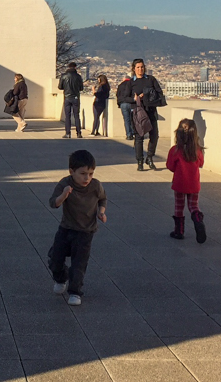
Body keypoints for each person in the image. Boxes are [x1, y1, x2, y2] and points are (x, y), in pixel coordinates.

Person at [47, 149, 107, 306]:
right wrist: (64, 195)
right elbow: (54, 203)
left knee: (79, 263)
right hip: (66, 228)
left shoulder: (95, 186)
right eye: (83, 173)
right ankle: (60, 278)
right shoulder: (65, 183)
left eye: (91, 173)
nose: (87, 178)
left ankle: (75, 292)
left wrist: (101, 212)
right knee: (55, 259)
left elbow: (103, 199)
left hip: (86, 231)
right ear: (71, 171)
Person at [116, 59, 165, 170]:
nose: (140, 69)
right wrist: (134, 98)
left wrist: (148, 94)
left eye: (142, 67)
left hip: (151, 111)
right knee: (139, 137)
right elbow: (124, 98)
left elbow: (159, 93)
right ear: (134, 69)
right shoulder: (131, 82)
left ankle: (150, 157)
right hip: (138, 112)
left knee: (154, 135)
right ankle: (140, 161)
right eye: (138, 67)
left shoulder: (151, 79)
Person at [166, 118, 207, 243]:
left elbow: (170, 166)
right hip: (194, 183)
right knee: (193, 206)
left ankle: (179, 231)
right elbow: (201, 164)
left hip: (179, 183)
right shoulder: (197, 150)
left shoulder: (175, 150)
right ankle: (197, 219)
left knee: (179, 207)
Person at [58, 62, 84, 139]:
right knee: (76, 116)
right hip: (76, 97)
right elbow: (81, 88)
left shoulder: (64, 76)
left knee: (67, 116)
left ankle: (67, 133)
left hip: (67, 97)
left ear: (68, 67)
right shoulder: (78, 77)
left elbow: (60, 87)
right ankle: (79, 133)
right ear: (75, 67)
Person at [117, 74, 135, 140]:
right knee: (133, 119)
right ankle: (134, 132)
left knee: (126, 119)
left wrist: (119, 104)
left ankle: (129, 135)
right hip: (131, 103)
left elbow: (118, 95)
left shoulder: (120, 85)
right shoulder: (132, 84)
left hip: (123, 104)